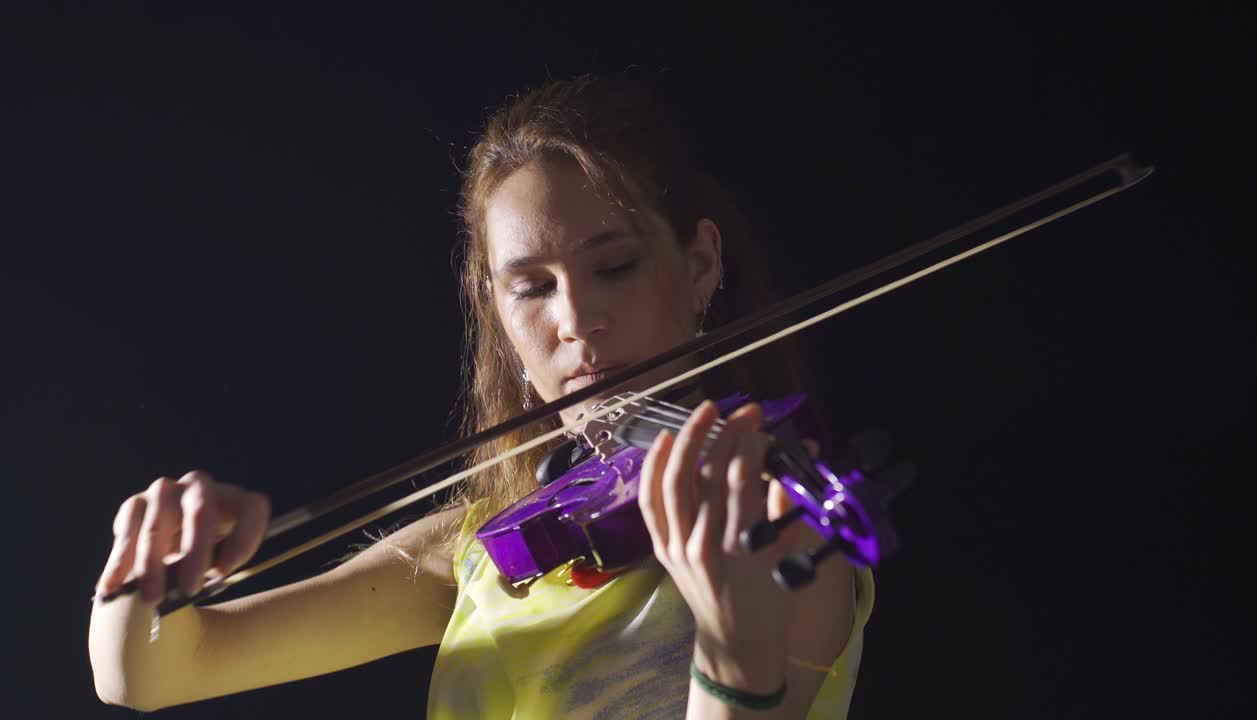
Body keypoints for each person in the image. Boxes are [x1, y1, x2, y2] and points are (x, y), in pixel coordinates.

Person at [89, 71, 876, 718]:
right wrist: (150, 565)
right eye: (532, 287)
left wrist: (734, 655)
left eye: (615, 267)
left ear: (700, 265)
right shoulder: (488, 549)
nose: (575, 320)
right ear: (498, 314)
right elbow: (151, 675)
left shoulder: (787, 532)